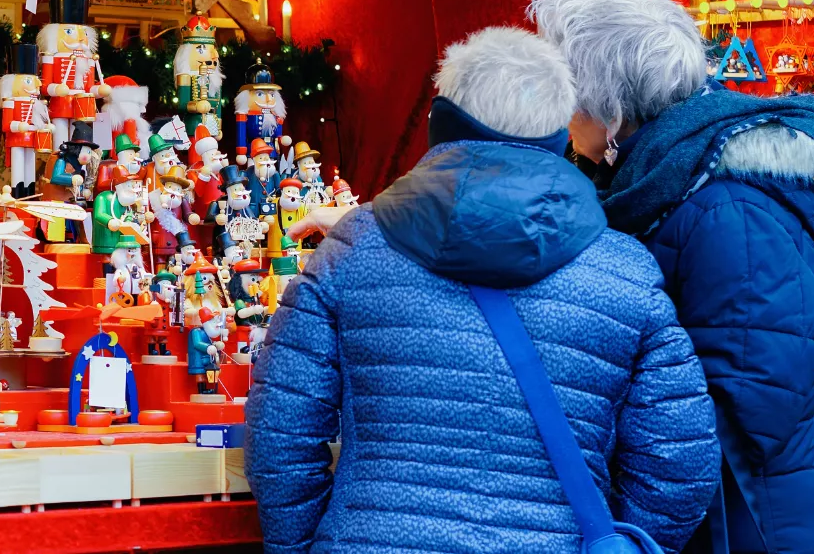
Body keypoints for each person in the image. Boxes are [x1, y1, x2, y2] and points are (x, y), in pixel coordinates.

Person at [247, 27, 718, 554]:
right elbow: (680, 461)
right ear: (560, 133)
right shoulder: (625, 270)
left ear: (440, 121)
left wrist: (305, 545)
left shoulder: (353, 249)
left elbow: (281, 433)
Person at [530, 0, 814, 554]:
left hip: (744, 522)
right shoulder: (662, 182)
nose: (558, 111)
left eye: (565, 90)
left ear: (610, 103)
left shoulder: (727, 207)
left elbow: (755, 396)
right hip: (709, 512)